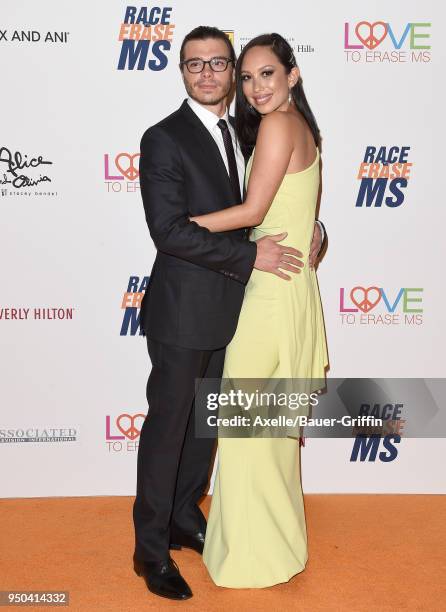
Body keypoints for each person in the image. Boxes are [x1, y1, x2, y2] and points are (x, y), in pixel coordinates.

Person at [133, 26, 325, 601]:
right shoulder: (164, 137)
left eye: (223, 65)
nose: (211, 75)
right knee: (169, 429)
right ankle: (149, 551)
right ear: (183, 72)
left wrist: (313, 229)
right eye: (198, 65)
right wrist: (251, 251)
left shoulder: (249, 129)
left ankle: (185, 514)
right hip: (185, 310)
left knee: (208, 429)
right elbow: (170, 233)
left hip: (238, 309)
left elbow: (277, 201)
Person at [192, 33, 329, 588]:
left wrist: (182, 226)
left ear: (292, 75)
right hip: (290, 293)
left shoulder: (277, 126)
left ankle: (249, 559)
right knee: (267, 438)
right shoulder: (305, 128)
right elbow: (305, 219)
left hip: (270, 298)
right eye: (246, 78)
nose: (255, 88)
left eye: (266, 74)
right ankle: (279, 550)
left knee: (248, 436)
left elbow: (253, 209)